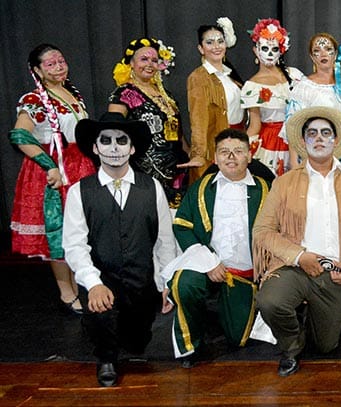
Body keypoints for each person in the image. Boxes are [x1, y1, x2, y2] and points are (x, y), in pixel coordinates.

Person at [253, 107, 341, 377]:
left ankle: (310, 319)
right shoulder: (284, 183)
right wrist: (299, 256)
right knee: (270, 301)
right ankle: (291, 345)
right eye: (312, 134)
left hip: (336, 273)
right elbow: (262, 230)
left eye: (325, 133)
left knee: (326, 346)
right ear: (304, 141)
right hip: (294, 267)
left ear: (335, 140)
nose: (319, 138)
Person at [62, 112, 176, 387]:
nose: (114, 148)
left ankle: (129, 331)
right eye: (107, 141)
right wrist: (93, 284)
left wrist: (165, 282)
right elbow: (74, 245)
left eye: (121, 141)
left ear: (132, 148)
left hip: (141, 282)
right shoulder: (80, 191)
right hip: (103, 280)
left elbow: (164, 240)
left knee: (137, 343)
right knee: (102, 316)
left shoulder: (152, 188)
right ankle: (106, 358)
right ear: (95, 147)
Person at [161, 129, 270, 367]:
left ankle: (223, 310)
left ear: (249, 156)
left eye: (238, 151)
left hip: (245, 274)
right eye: (224, 152)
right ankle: (190, 345)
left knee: (237, 338)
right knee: (183, 283)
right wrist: (207, 262)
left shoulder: (266, 189)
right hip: (206, 266)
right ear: (216, 157)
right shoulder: (201, 187)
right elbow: (181, 226)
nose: (231, 157)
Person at [9, 43, 95, 315]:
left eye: (61, 60)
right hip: (54, 168)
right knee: (57, 232)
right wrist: (49, 166)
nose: (58, 66)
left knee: (78, 231)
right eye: (50, 64)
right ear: (37, 70)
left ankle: (79, 282)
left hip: (79, 165)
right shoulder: (34, 99)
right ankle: (66, 292)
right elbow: (20, 135)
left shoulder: (71, 94)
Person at [108, 37, 188, 209]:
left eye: (154, 60)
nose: (150, 64)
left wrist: (190, 155)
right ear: (131, 63)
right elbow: (113, 130)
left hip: (176, 168)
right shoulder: (124, 94)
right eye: (144, 59)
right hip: (143, 169)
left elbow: (178, 131)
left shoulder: (166, 94)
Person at [283, 32, 341, 171]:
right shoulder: (304, 87)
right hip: (316, 155)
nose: (323, 54)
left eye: (328, 49)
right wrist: (294, 164)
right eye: (317, 51)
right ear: (311, 57)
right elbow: (293, 127)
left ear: (335, 54)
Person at [181, 18, 247, 182]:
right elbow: (198, 120)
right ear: (201, 48)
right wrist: (198, 155)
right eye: (209, 42)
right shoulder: (199, 78)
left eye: (220, 41)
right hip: (217, 145)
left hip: (238, 140)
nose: (216, 46)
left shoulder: (230, 75)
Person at [240, 18, 303, 176]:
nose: (269, 54)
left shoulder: (294, 75)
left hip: (297, 139)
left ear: (281, 50)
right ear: (256, 50)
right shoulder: (252, 87)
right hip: (271, 143)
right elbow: (254, 125)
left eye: (274, 49)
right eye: (264, 48)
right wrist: (238, 149)